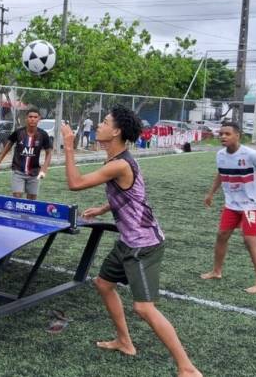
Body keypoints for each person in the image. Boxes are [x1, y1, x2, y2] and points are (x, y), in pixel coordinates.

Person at [59, 105, 201, 377]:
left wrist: (68, 145)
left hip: (143, 245)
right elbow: (134, 195)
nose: (99, 125)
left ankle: (187, 368)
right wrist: (104, 208)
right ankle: (125, 342)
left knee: (143, 308)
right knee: (103, 284)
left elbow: (75, 183)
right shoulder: (120, 160)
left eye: (104, 122)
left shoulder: (120, 163)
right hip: (128, 240)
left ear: (116, 131)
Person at [200, 121, 256, 294]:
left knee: (250, 241)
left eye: (227, 134)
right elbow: (221, 173)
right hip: (232, 204)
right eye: (221, 134)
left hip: (252, 206)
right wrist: (210, 193)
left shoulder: (252, 154)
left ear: (237, 136)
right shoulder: (220, 155)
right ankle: (216, 271)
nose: (223, 137)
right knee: (221, 235)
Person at [0, 108, 52, 200]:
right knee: (17, 198)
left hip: (34, 173)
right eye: (30, 117)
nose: (32, 119)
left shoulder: (43, 135)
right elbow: (8, 145)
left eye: (35, 117)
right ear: (26, 119)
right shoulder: (19, 132)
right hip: (18, 171)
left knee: (31, 201)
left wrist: (44, 169)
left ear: (39, 119)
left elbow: (49, 153)